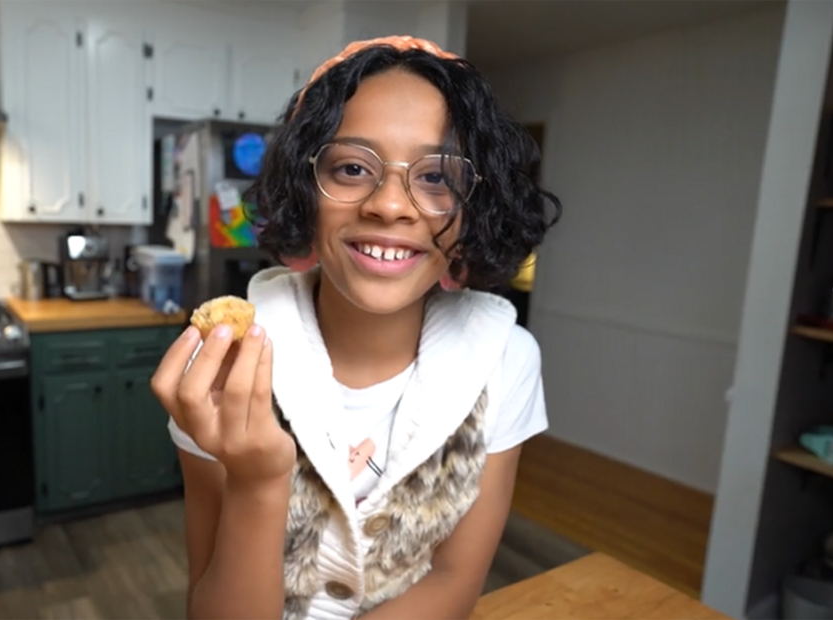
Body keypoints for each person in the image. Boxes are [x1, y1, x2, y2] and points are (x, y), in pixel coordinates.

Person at [151, 35, 561, 620]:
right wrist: (258, 483)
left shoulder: (505, 360)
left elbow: (453, 580)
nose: (390, 205)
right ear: (304, 189)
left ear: (475, 207)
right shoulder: (227, 368)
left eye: (438, 178)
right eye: (350, 167)